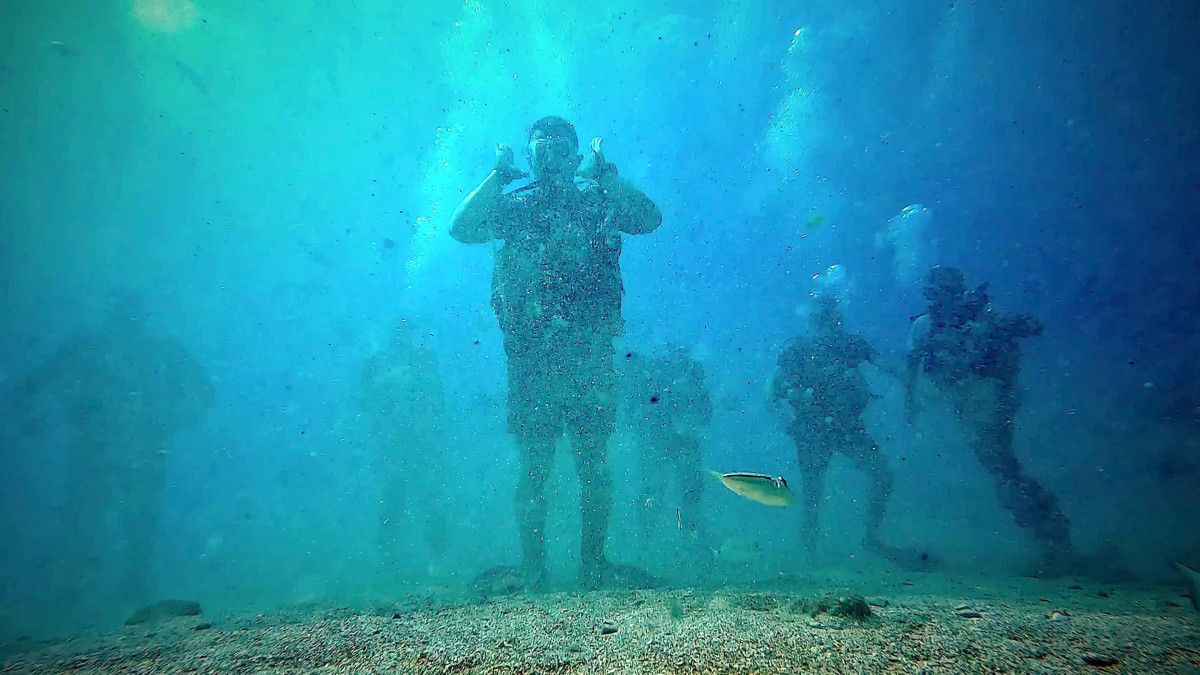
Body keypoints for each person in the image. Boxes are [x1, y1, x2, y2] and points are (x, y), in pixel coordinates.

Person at [449, 116, 661, 589]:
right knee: (535, 467)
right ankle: (534, 570)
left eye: (559, 149)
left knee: (593, 465)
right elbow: (461, 228)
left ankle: (592, 566)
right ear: (529, 158)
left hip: (589, 356)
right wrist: (498, 175)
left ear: (575, 155)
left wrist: (608, 176)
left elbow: (649, 219)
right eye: (539, 151)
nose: (550, 159)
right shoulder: (515, 207)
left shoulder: (597, 203)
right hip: (533, 360)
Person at [15, 291, 213, 604]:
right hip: (104, 449)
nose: (127, 322)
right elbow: (36, 384)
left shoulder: (150, 350)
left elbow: (202, 391)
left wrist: (168, 420)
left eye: (130, 315)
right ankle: (77, 593)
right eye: (123, 315)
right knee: (90, 520)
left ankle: (116, 590)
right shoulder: (101, 347)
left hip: (131, 448)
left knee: (130, 522)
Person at [904, 265, 1076, 574]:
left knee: (1004, 472)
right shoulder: (973, 319)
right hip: (985, 403)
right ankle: (1053, 538)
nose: (945, 298)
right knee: (1004, 470)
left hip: (985, 404)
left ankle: (1054, 542)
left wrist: (910, 405)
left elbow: (914, 367)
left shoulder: (941, 324)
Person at [771, 295, 919, 564]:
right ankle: (810, 551)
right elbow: (772, 394)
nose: (829, 325)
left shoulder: (850, 345)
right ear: (815, 321)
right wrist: (789, 425)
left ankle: (866, 539)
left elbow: (887, 365)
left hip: (844, 426)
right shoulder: (797, 350)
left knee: (878, 473)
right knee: (814, 490)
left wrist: (913, 377)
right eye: (823, 319)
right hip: (813, 429)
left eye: (832, 319)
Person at [355, 320, 449, 580]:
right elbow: (362, 400)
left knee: (429, 501)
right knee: (393, 502)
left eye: (409, 332)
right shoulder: (375, 362)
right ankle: (389, 563)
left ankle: (437, 562)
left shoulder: (423, 360)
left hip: (421, 444)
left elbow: (438, 401)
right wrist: (389, 379)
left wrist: (435, 433)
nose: (406, 338)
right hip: (391, 444)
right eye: (400, 332)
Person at [620, 346, 712, 559]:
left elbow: (705, 414)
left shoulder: (664, 378)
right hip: (664, 443)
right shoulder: (684, 377)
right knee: (662, 494)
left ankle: (658, 546)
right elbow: (705, 414)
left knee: (674, 494)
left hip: (667, 443)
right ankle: (667, 546)